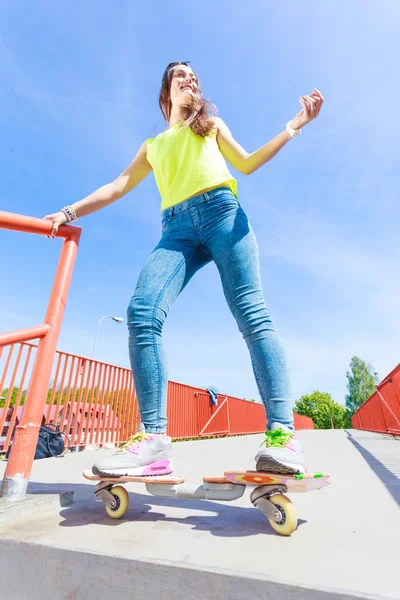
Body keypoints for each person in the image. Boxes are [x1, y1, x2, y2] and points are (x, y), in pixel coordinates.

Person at [44, 61, 323, 478]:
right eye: (181, 76)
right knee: (141, 313)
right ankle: (154, 442)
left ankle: (283, 438)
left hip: (222, 215)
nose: (190, 79)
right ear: (166, 95)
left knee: (251, 314)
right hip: (175, 230)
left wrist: (294, 125)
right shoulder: (153, 146)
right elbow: (117, 185)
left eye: (194, 76)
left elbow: (246, 164)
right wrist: (68, 211)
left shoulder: (210, 126)